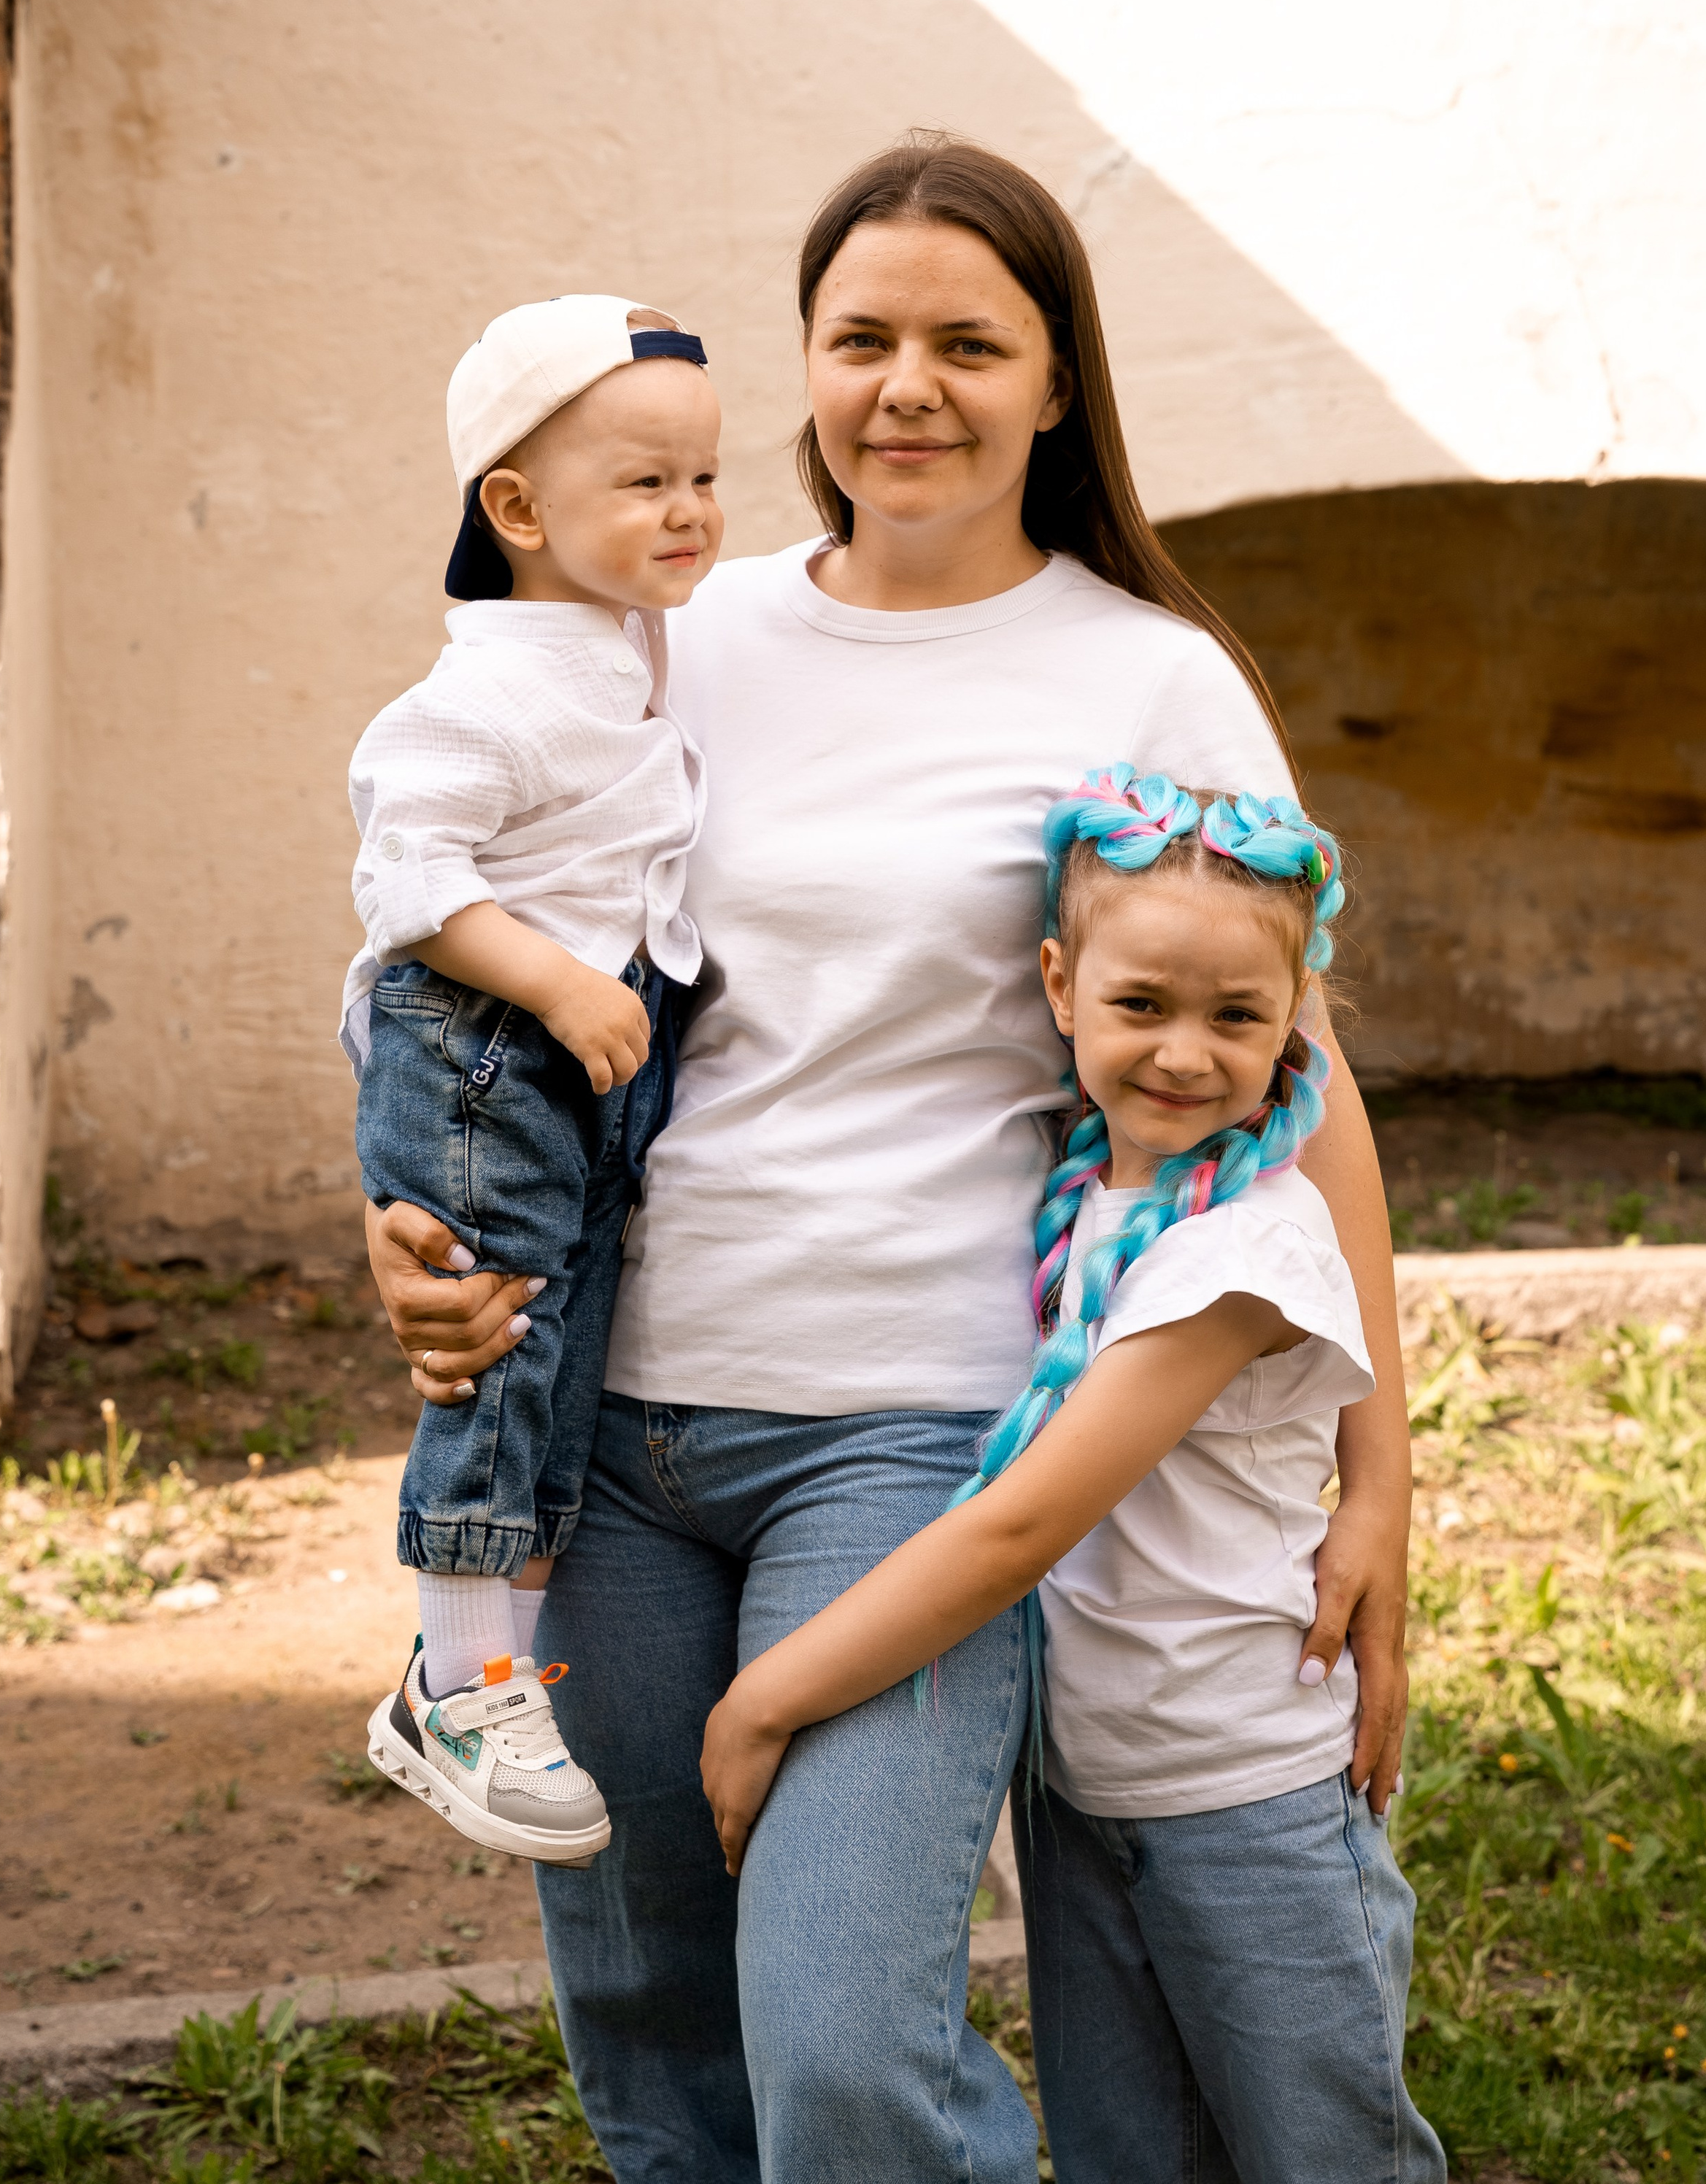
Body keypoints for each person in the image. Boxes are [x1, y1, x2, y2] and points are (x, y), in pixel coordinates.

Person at [362, 137, 1413, 2184]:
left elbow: (1313, 1073)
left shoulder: (1146, 672)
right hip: (613, 1427)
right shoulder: (672, 630)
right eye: (862, 339)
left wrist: (1381, 1483)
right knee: (666, 2066)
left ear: (1053, 385)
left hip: (926, 1437)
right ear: (807, 369)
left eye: (967, 342)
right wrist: (409, 1243)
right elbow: (454, 954)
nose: (907, 386)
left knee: (846, 2067)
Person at [701, 765, 1446, 2183]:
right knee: (1127, 2155)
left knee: (1318, 2157)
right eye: (1140, 1007)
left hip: (1248, 1797)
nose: (1183, 1053)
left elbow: (1019, 1525)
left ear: (1299, 1017)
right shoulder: (1085, 1189)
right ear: (1057, 985)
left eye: (1237, 1015)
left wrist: (766, 1698)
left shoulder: (1248, 1256)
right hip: (1087, 1797)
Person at [345, 295, 722, 1860]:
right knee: (499, 1357)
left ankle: (495, 1660)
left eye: (704, 478)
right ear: (514, 510)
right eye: (645, 484)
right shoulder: (484, 692)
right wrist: (564, 982)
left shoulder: (633, 643)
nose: (689, 511)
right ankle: (456, 1679)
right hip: (493, 1039)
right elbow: (409, 881)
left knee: (546, 1359)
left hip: (569, 1048)